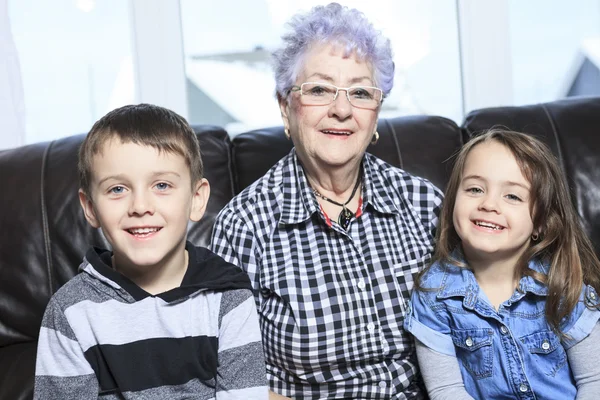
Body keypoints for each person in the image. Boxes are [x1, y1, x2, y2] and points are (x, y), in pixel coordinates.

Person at [210, 3, 443, 398]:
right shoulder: (245, 226)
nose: (341, 109)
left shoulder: (423, 203)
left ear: (376, 112)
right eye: (319, 89)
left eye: (359, 92)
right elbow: (233, 380)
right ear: (286, 107)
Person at [34, 104, 268, 399]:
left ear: (197, 199)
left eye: (161, 185)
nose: (140, 206)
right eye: (117, 189)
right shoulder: (69, 312)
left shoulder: (228, 297)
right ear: (91, 208)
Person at [404, 129, 600, 399]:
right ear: (451, 203)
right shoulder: (433, 294)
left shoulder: (562, 282)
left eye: (512, 196)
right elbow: (446, 390)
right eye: (475, 189)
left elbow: (595, 380)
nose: (489, 204)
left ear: (540, 223)